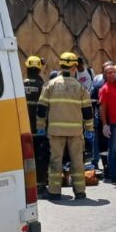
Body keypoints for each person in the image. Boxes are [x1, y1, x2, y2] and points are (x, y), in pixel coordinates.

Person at [36, 52, 94, 201]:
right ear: (74, 67)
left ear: (60, 66)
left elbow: (41, 109)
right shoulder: (80, 88)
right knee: (77, 162)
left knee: (56, 160)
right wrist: (89, 130)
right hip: (75, 132)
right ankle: (80, 192)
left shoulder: (50, 85)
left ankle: (55, 192)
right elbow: (88, 111)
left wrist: (40, 126)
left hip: (55, 131)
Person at [23, 55, 50, 194]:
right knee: (41, 157)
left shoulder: (21, 85)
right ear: (39, 70)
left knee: (25, 158)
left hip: (23, 130)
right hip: (40, 130)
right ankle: (40, 185)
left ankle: (26, 185)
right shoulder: (43, 86)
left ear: (26, 68)